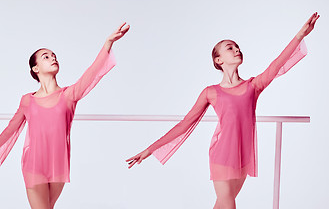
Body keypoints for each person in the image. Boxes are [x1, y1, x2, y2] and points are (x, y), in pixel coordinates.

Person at [126, 13, 319, 209]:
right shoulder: (211, 92)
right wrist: (149, 150)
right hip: (221, 155)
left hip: (244, 156)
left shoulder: (253, 86)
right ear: (218, 60)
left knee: (222, 205)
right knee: (229, 206)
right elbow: (185, 124)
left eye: (237, 47)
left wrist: (300, 35)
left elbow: (276, 65)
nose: (236, 49)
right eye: (230, 48)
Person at [0, 23, 130, 209]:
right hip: (33, 164)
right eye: (46, 56)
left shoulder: (68, 95)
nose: (53, 58)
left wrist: (108, 43)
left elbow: (91, 74)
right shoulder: (27, 100)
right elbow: (11, 128)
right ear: (36, 69)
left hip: (58, 165)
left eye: (54, 56)